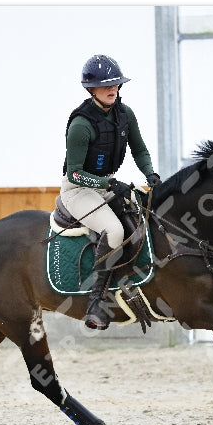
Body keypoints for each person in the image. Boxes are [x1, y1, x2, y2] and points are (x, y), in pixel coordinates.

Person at [60, 54, 160, 330]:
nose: (112, 88)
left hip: (106, 185)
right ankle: (96, 302)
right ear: (91, 90)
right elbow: (75, 173)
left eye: (115, 83)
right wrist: (107, 185)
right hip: (78, 191)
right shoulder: (81, 125)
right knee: (114, 231)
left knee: (144, 215)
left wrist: (150, 173)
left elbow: (139, 149)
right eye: (106, 85)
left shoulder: (125, 113)